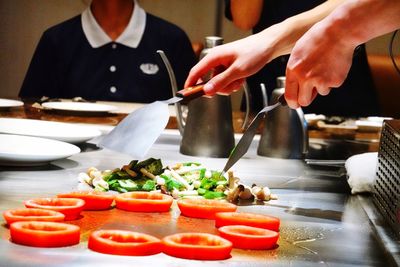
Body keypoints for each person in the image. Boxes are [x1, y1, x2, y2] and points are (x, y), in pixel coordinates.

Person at [185, 0, 400, 113]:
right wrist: (267, 43)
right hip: (270, 74)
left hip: (345, 79)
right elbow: (244, 18)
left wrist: (338, 34)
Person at [19, 0, 197, 103]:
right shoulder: (56, 40)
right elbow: (32, 111)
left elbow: (193, 113)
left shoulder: (172, 39)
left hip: (154, 159)